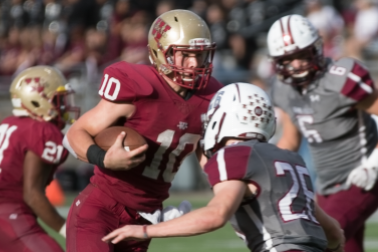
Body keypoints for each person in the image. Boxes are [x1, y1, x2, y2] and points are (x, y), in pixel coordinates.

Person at [102, 83, 345, 252]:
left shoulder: (234, 155)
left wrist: (145, 231)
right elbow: (333, 232)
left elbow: (216, 215)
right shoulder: (288, 159)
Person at [63, 9, 223, 252]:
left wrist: (229, 186)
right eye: (185, 55)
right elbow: (76, 133)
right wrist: (104, 158)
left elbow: (207, 157)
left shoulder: (209, 98)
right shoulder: (139, 88)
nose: (194, 63)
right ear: (160, 53)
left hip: (143, 221)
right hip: (100, 211)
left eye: (200, 55)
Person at [266, 14, 378, 252]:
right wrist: (266, 170)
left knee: (317, 239)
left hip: (363, 177)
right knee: (347, 247)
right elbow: (291, 139)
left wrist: (374, 163)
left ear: (315, 48)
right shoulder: (283, 88)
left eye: (301, 55)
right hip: (326, 186)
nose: (296, 65)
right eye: (288, 59)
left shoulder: (340, 77)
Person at [0, 66, 80, 251]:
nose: (64, 105)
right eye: (58, 99)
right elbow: (32, 195)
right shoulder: (42, 130)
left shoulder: (10, 122)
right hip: (10, 214)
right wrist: (66, 230)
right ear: (37, 100)